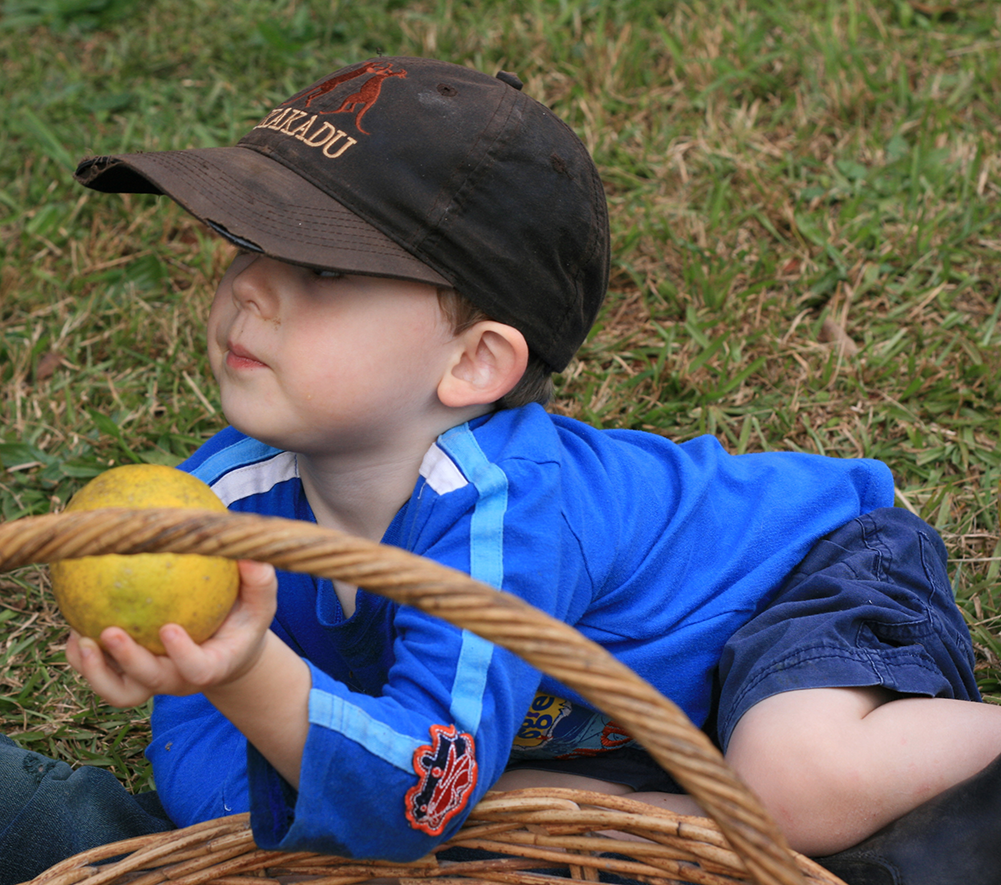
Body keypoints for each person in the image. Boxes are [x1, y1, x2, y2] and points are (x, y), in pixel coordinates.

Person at [3, 56, 999, 885]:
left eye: (323, 270)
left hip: (796, 584)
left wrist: (255, 675)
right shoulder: (218, 502)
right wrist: (215, 696)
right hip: (601, 717)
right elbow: (214, 771)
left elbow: (404, 784)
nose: (247, 289)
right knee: (480, 822)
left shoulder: (497, 514)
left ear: (474, 362)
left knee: (794, 786)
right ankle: (673, 807)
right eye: (245, 246)